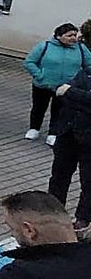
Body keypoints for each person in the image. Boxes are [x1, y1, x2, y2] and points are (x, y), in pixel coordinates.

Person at [23, 22, 91, 146]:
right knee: (39, 107)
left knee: (59, 111)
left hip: (65, 88)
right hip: (43, 85)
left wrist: (79, 81)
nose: (73, 38)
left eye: (75, 35)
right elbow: (30, 62)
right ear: (59, 36)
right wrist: (40, 75)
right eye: (69, 35)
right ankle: (34, 129)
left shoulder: (81, 49)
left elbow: (89, 66)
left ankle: (53, 133)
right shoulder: (45, 46)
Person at [50, 68, 91, 236]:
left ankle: (82, 219)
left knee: (88, 183)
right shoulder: (86, 72)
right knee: (59, 176)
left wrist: (71, 92)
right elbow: (61, 93)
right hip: (68, 135)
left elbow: (67, 91)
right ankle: (52, 212)